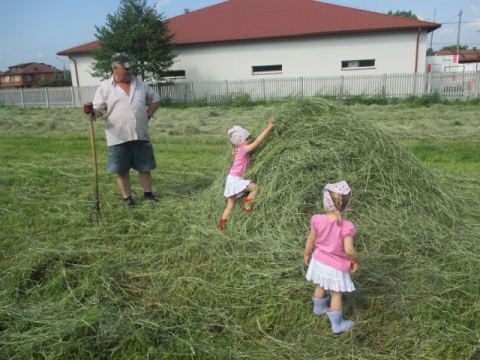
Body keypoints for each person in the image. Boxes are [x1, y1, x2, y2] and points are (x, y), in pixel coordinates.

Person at [85, 52, 161, 208]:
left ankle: (148, 195)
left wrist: (148, 114)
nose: (129, 71)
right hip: (118, 136)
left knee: (144, 167)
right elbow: (99, 110)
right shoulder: (105, 87)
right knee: (121, 169)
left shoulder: (140, 84)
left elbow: (156, 99)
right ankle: (127, 198)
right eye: (125, 68)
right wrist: (92, 112)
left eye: (131, 68)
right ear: (114, 68)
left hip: (140, 134)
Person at [303, 181, 361, 334]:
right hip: (336, 266)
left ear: (326, 202)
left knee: (321, 285)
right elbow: (349, 250)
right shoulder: (347, 226)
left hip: (319, 261)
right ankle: (337, 324)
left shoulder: (317, 219)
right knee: (336, 294)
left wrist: (307, 253)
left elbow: (311, 240)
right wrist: (356, 260)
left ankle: (319, 309)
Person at [219, 119, 276, 230]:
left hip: (230, 179)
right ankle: (248, 207)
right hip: (235, 180)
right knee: (255, 188)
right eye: (247, 139)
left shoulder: (236, 149)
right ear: (240, 142)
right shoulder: (243, 149)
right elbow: (258, 142)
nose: (249, 140)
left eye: (249, 138)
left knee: (230, 205)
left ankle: (222, 226)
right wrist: (269, 128)